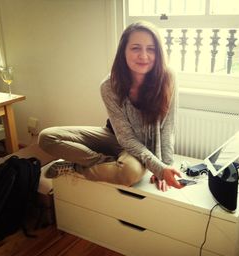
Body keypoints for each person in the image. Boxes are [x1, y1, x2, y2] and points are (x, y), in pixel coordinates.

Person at [38, 21, 182, 191]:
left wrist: (164, 167)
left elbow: (168, 128)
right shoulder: (109, 85)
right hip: (115, 136)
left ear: (158, 53)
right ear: (123, 52)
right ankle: (106, 162)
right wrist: (159, 168)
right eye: (135, 48)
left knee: (130, 173)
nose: (144, 56)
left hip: (143, 147)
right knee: (46, 137)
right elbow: (125, 138)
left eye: (151, 49)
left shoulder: (168, 78)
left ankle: (76, 168)